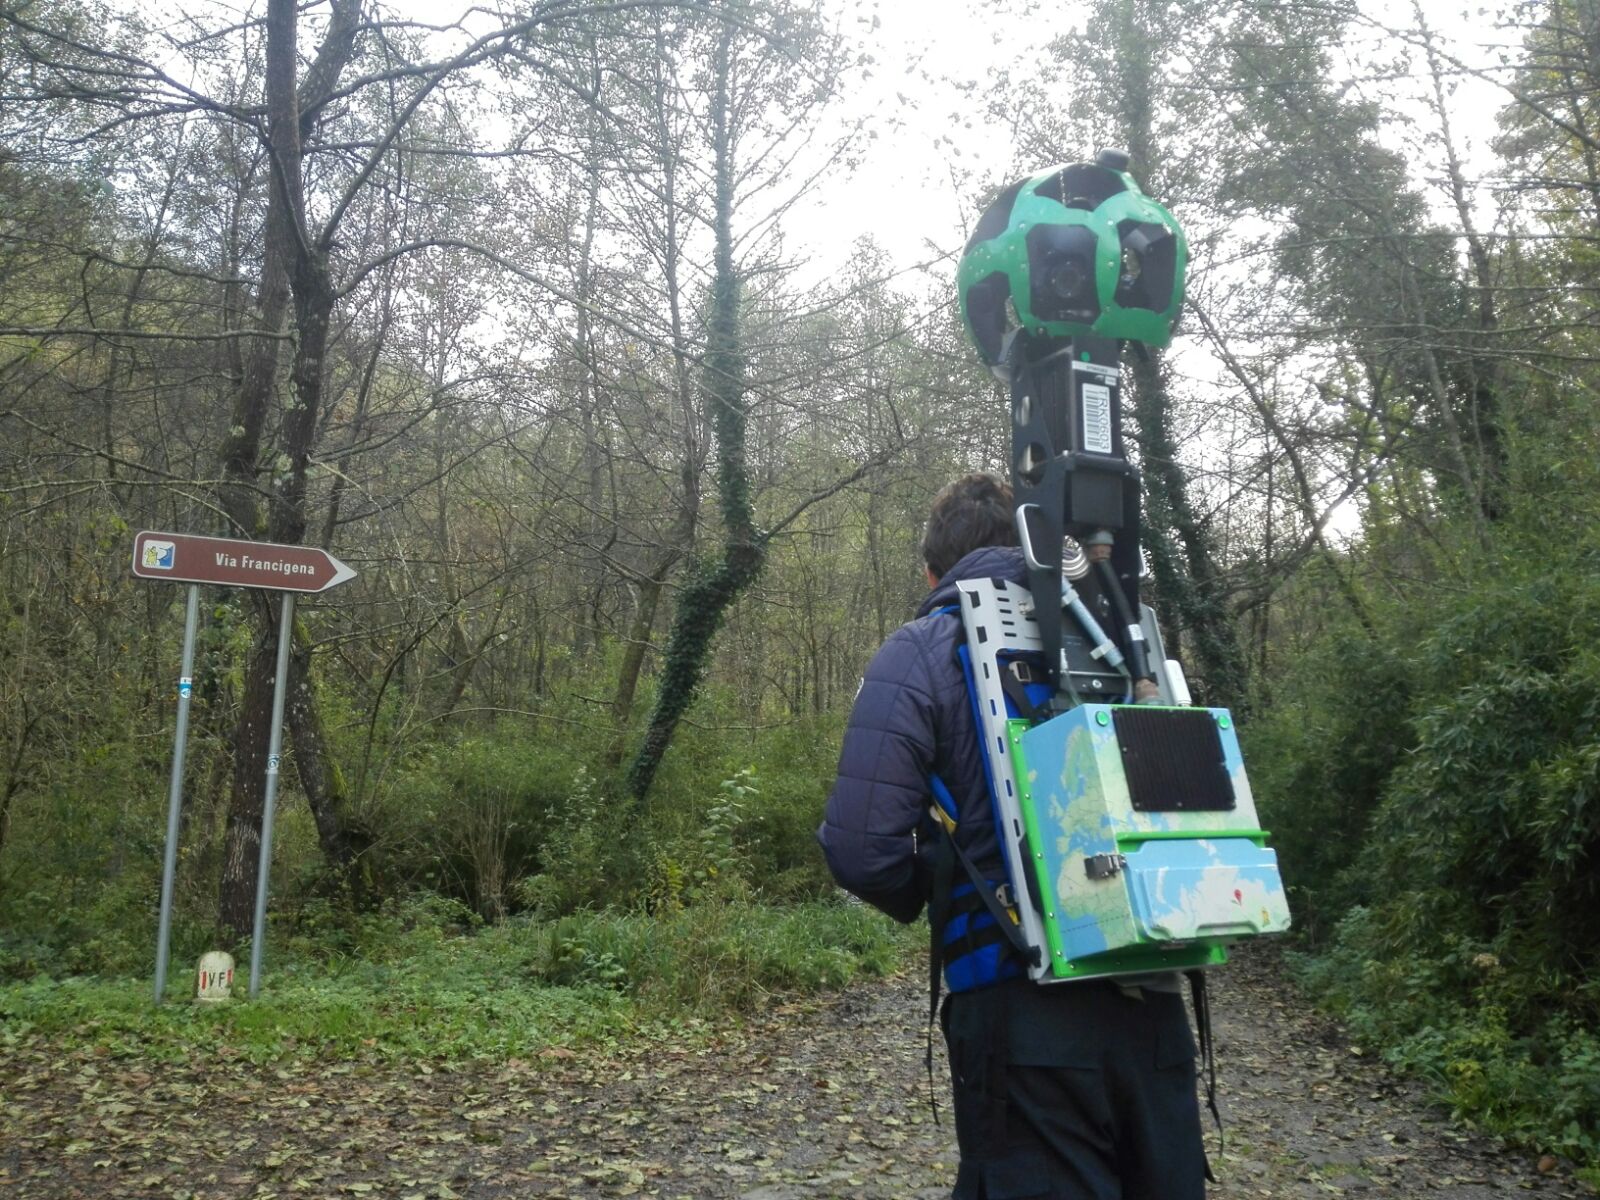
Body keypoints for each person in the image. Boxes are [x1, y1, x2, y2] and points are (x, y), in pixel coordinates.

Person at [818, 471, 1208, 1200]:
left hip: (1016, 1008)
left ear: (934, 569)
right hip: (1152, 996)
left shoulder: (924, 649)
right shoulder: (1122, 643)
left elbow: (861, 850)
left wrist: (937, 885)